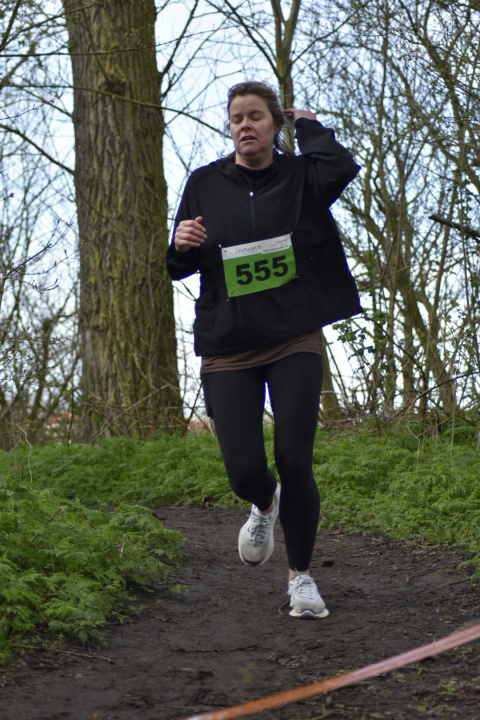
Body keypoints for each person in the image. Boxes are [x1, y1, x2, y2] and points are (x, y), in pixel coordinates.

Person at [166, 81, 361, 618]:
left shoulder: (302, 177)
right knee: (244, 472)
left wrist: (310, 126)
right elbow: (180, 264)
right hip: (229, 344)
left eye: (256, 116)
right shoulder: (205, 183)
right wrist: (179, 245)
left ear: (275, 125)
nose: (245, 125)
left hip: (294, 336)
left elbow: (340, 167)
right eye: (236, 118)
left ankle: (301, 579)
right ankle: (263, 502)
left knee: (295, 458)